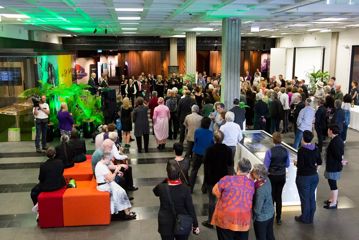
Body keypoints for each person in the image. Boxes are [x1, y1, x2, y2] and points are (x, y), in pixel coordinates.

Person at [153, 161, 200, 240]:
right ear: (179, 174)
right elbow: (190, 208)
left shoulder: (161, 187)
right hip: (182, 222)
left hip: (165, 223)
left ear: (167, 173)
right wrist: (195, 225)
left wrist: (166, 180)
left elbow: (155, 192)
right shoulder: (185, 189)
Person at [211, 158, 255, 240]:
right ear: (249, 171)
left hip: (225, 218)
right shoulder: (251, 183)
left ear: (237, 168)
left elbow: (214, 191)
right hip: (243, 220)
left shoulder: (227, 179)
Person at [202, 130, 232, 229]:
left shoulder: (209, 150)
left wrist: (205, 182)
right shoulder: (228, 150)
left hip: (211, 179)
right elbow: (230, 165)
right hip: (223, 179)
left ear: (214, 139)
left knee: (212, 200)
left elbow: (206, 167)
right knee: (224, 200)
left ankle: (211, 221)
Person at [95, 151, 136, 220]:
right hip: (104, 186)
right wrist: (116, 171)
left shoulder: (102, 164)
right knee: (120, 192)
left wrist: (117, 172)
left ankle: (125, 212)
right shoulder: (101, 166)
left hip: (106, 183)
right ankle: (126, 213)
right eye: (110, 159)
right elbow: (110, 178)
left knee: (121, 191)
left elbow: (108, 176)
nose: (111, 160)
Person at [294, 130, 322, 224]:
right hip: (314, 176)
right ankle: (310, 217)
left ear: (303, 139)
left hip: (303, 178)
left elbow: (301, 166)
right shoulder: (316, 148)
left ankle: (305, 218)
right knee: (311, 196)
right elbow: (320, 162)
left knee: (305, 199)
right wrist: (315, 170)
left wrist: (295, 163)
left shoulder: (302, 150)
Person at [264, 132, 290, 225]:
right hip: (282, 176)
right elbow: (287, 164)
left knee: (271, 196)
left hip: (272, 176)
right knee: (279, 196)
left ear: (273, 140)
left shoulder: (269, 151)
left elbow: (265, 167)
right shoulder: (286, 151)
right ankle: (278, 218)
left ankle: (270, 216)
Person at [30, 147, 66, 213]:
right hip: (58, 185)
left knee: (33, 192)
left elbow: (41, 178)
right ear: (55, 154)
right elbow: (61, 172)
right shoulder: (60, 162)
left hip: (47, 187)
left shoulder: (43, 166)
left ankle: (37, 206)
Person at [251, 164, 275, 240]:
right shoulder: (267, 179)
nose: (252, 173)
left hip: (262, 219)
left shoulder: (260, 190)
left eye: (253, 172)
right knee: (270, 235)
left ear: (259, 175)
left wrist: (253, 217)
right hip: (270, 213)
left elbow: (257, 209)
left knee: (261, 237)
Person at [189, 117, 214, 193]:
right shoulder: (211, 133)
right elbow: (212, 144)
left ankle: (190, 188)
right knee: (207, 171)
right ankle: (204, 189)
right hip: (207, 154)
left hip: (197, 153)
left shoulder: (197, 131)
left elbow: (195, 140)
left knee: (194, 170)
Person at [324, 124, 345, 209]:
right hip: (334, 165)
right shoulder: (337, 139)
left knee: (333, 184)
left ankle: (334, 202)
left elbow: (338, 155)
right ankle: (332, 199)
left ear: (331, 131)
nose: (327, 132)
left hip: (333, 166)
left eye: (328, 130)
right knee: (331, 182)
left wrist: (341, 160)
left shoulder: (335, 141)